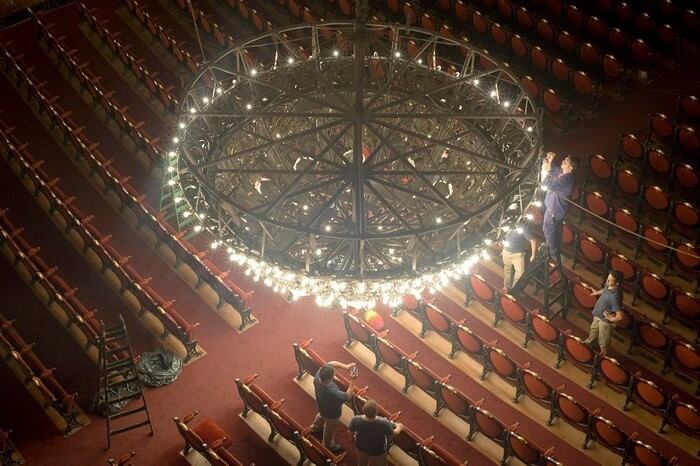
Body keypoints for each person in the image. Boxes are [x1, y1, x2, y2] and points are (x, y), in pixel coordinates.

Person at [310, 361, 357, 452]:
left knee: (320, 415)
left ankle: (315, 427)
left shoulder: (318, 375)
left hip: (321, 404)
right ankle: (327, 445)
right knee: (329, 429)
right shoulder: (333, 392)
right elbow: (348, 396)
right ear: (330, 378)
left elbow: (331, 363)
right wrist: (353, 380)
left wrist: (346, 366)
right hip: (332, 414)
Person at [541, 152, 577, 265]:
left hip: (554, 212)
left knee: (549, 233)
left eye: (565, 162)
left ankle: (554, 258)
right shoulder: (563, 173)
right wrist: (549, 162)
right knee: (555, 233)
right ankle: (555, 254)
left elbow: (546, 183)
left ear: (570, 168)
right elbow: (554, 170)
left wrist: (545, 169)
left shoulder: (566, 181)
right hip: (555, 210)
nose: (563, 161)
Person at [348, 400, 403, 466]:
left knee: (361, 463)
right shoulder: (384, 423)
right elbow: (394, 434)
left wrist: (351, 440)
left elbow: (350, 433)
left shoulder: (355, 419)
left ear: (363, 410)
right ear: (376, 412)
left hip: (360, 446)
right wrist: (399, 427)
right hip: (378, 450)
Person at [583, 271, 624, 354]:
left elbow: (620, 316)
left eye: (610, 280)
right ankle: (588, 344)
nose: (607, 281)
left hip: (605, 322)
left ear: (617, 284)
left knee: (603, 339)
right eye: (608, 278)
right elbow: (605, 290)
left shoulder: (615, 296)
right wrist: (596, 293)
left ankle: (603, 353)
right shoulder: (609, 285)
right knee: (593, 331)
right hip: (598, 315)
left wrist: (610, 318)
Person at [501, 225, 537, 293]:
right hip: (506, 252)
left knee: (520, 273)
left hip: (518, 255)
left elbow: (533, 240)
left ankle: (514, 289)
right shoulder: (507, 224)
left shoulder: (522, 228)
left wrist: (533, 255)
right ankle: (506, 286)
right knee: (507, 271)